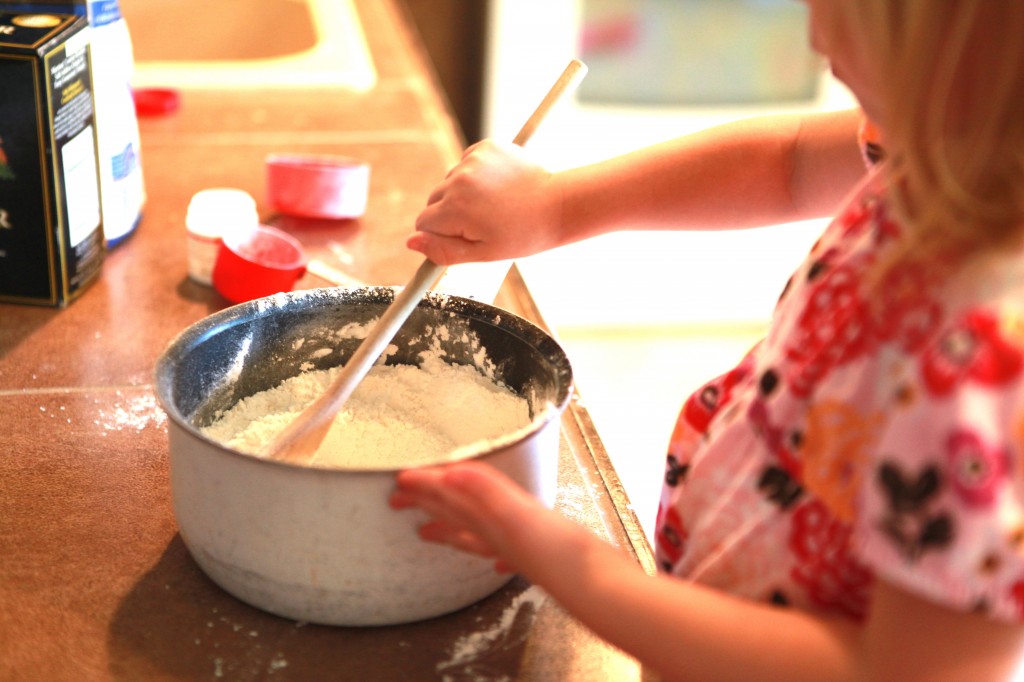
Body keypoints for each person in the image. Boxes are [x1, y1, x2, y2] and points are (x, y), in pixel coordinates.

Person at [389, 1, 1024, 679]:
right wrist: (555, 205)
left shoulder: (992, 362)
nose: (813, 29)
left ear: (972, 47)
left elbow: (897, 671)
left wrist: (573, 563)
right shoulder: (945, 139)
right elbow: (788, 163)